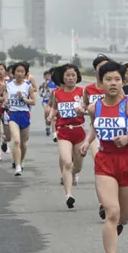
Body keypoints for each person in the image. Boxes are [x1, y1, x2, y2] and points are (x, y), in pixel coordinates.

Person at [77, 60, 128, 253]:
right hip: (105, 161)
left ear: (122, 82)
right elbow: (95, 126)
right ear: (101, 82)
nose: (113, 83)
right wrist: (87, 141)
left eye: (117, 79)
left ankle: (118, 225)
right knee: (112, 213)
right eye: (108, 79)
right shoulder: (94, 107)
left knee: (124, 217)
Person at [48, 63, 86, 208]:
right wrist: (50, 116)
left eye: (73, 75)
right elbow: (54, 107)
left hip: (79, 131)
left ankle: (74, 174)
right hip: (63, 131)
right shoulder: (57, 93)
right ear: (62, 78)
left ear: (77, 77)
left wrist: (83, 111)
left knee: (78, 165)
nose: (70, 78)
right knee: (67, 162)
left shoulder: (82, 92)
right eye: (68, 75)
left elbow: (89, 108)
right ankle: (69, 195)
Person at [84, 54, 112, 219]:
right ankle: (103, 202)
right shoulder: (88, 89)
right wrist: (82, 109)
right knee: (99, 162)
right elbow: (85, 106)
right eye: (100, 67)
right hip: (96, 131)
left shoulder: (115, 86)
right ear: (95, 70)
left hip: (115, 132)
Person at [6, 62, 37, 176]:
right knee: (16, 141)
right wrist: (4, 101)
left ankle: (21, 161)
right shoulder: (8, 85)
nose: (19, 74)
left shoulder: (28, 86)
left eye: (22, 72)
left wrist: (23, 99)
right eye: (17, 71)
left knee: (23, 143)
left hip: (24, 115)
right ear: (13, 73)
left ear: (25, 73)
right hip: (13, 115)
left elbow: (33, 101)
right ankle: (18, 166)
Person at [40, 69, 57, 139]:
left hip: (53, 101)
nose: (47, 77)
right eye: (46, 76)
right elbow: (42, 95)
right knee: (46, 111)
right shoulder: (43, 84)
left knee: (52, 115)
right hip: (46, 101)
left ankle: (54, 131)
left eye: (48, 76)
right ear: (44, 77)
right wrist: (45, 89)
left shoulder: (55, 84)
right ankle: (47, 125)